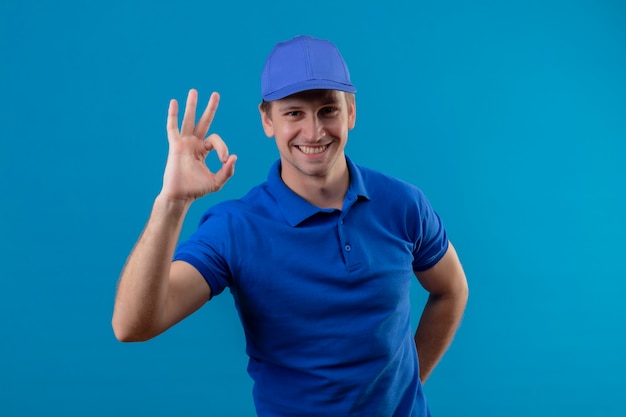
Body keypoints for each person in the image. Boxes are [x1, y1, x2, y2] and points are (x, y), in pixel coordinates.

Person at [112, 35, 469, 416]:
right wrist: (171, 203)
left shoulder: (403, 204)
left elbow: (451, 289)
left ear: (351, 112)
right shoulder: (235, 228)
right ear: (267, 120)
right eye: (294, 113)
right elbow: (132, 326)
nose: (314, 132)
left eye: (328, 110)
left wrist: (407, 388)